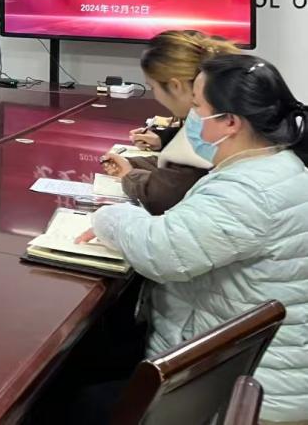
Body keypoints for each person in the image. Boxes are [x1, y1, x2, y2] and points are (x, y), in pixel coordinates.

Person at [84, 54, 308, 424]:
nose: (190, 116)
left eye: (198, 107)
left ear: (230, 122)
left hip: (246, 392)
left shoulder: (249, 190)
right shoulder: (278, 165)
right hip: (258, 369)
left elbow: (161, 251)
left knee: (76, 401)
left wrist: (108, 216)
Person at [98, 30, 239, 214]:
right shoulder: (228, 107)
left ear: (175, 86)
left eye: (152, 87)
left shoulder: (209, 129)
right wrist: (158, 143)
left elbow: (162, 197)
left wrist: (128, 175)